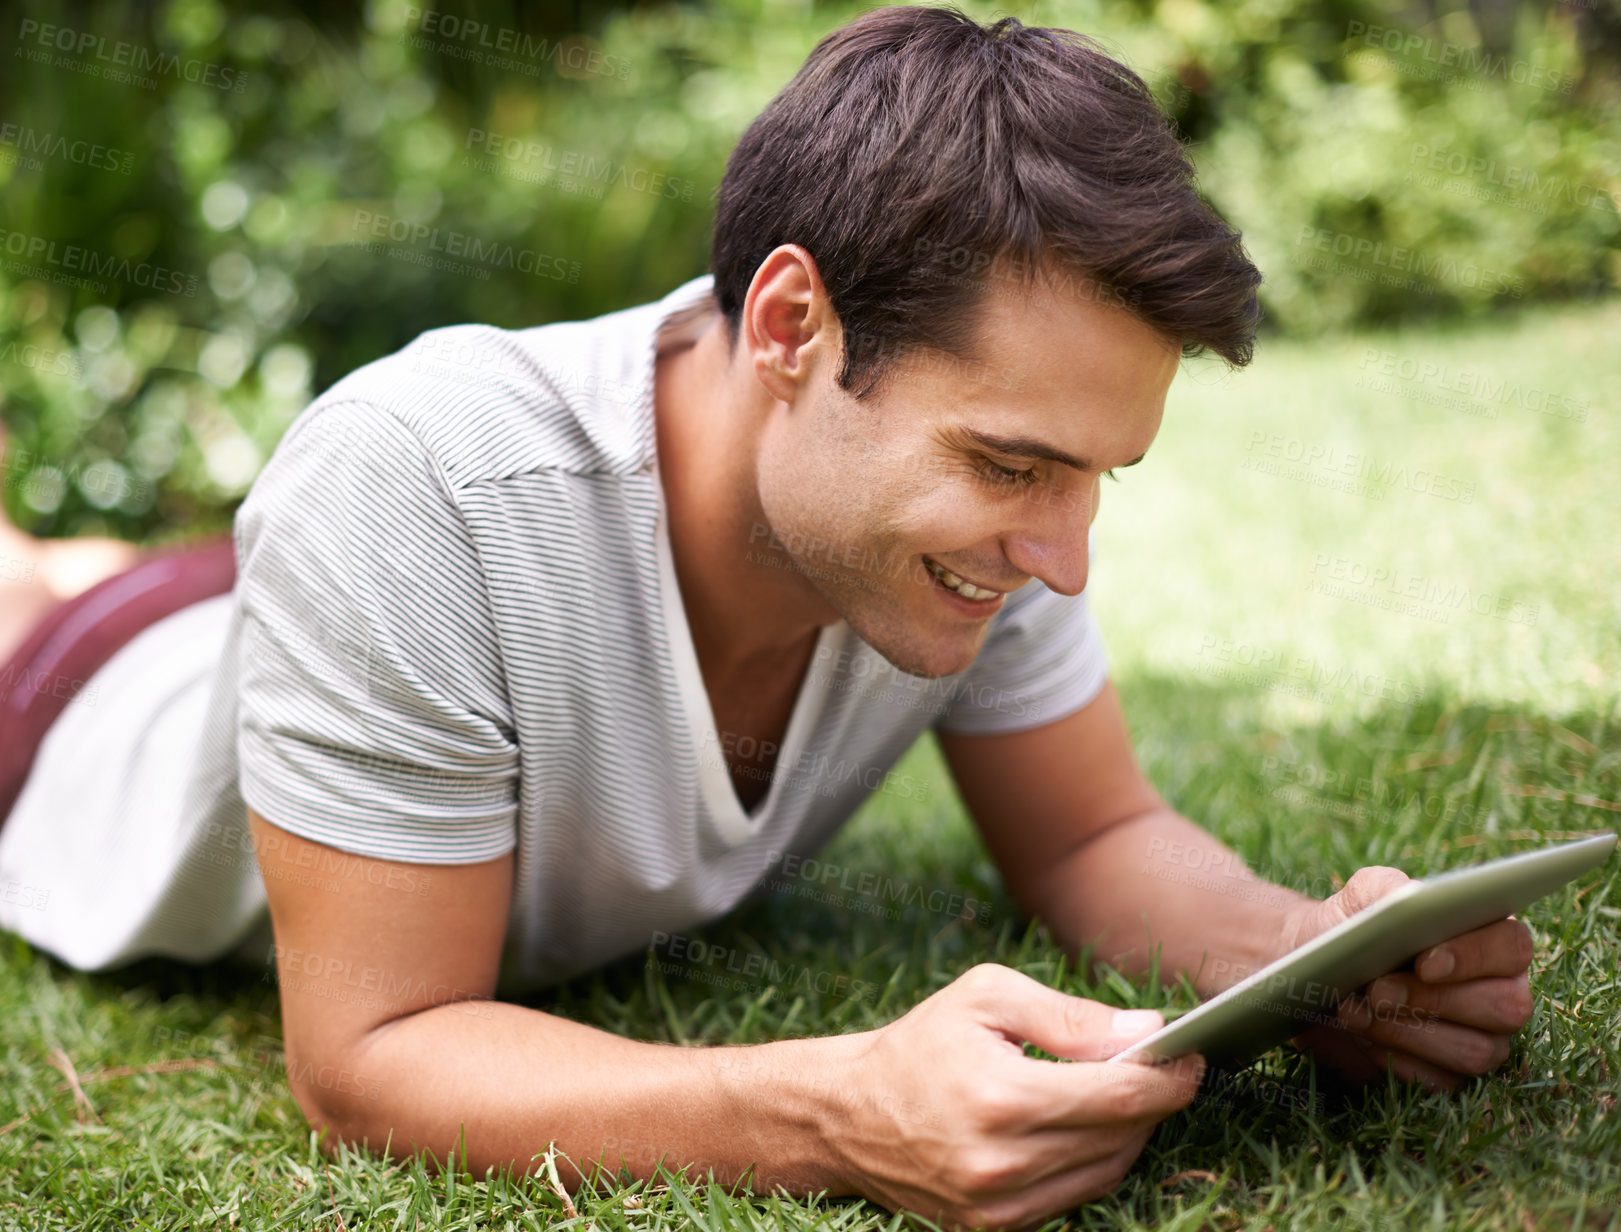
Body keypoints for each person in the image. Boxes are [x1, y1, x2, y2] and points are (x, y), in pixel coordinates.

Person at [0, 7, 1534, 1228]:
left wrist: (1307, 955)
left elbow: (1086, 837)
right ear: (793, 325)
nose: (1063, 556)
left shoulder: (952, 531)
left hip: (323, 612)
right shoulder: (415, 477)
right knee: (38, 600)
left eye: (1094, 479)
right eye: (1011, 464)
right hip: (82, 701)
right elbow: (371, 1060)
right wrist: (832, 1111)